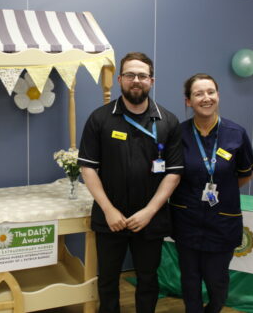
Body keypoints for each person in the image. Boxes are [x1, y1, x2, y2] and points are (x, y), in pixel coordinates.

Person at [78, 52, 183, 313]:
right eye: (130, 75)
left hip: (151, 218)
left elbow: (174, 173)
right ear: (120, 79)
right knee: (108, 280)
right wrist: (108, 209)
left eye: (142, 75)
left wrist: (149, 211)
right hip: (109, 217)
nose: (136, 80)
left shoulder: (168, 121)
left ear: (152, 80)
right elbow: (88, 168)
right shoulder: (100, 118)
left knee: (148, 279)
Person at [170, 73, 253, 313]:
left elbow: (245, 174)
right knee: (190, 279)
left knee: (217, 282)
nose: (205, 98)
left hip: (222, 222)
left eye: (210, 92)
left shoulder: (236, 133)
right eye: (198, 93)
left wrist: (221, 193)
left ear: (218, 96)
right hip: (186, 220)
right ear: (188, 101)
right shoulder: (178, 134)